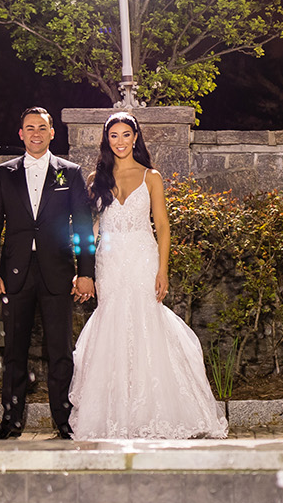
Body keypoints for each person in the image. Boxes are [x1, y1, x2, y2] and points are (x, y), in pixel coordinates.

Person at [69, 112, 228, 439]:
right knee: (112, 323)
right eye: (114, 135)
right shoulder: (96, 178)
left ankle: (153, 409)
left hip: (143, 258)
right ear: (107, 140)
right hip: (110, 262)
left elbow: (163, 227)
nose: (120, 141)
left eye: (126, 134)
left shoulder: (151, 176)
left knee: (145, 322)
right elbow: (93, 227)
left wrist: (162, 269)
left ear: (135, 138)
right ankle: (116, 413)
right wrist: (82, 270)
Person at [0, 107, 96, 439]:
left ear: (52, 133)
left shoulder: (70, 173)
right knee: (13, 351)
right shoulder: (4, 174)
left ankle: (64, 420)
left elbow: (83, 226)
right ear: (21, 133)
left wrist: (85, 272)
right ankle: (11, 421)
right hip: (15, 273)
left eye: (42, 128)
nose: (36, 133)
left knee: (60, 351)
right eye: (30, 128)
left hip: (57, 272)